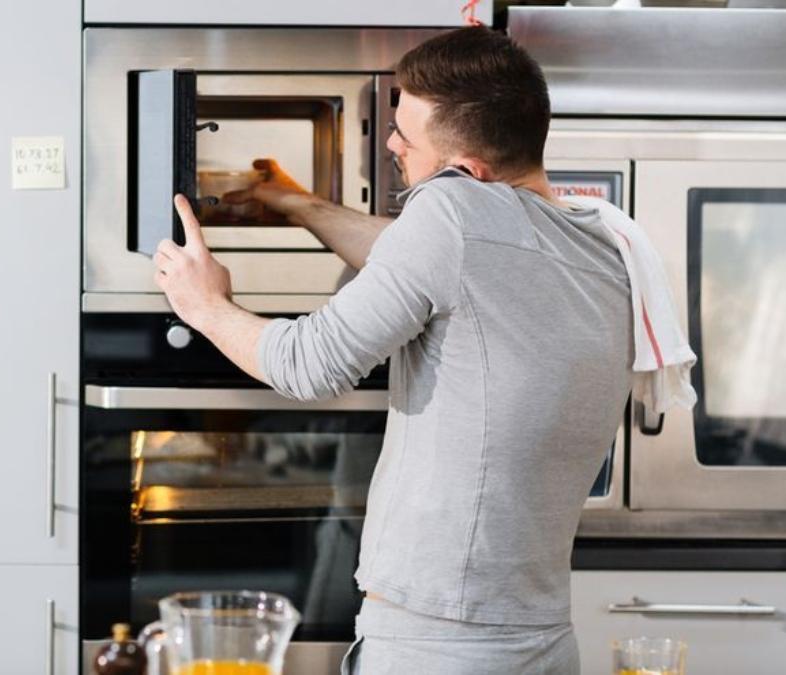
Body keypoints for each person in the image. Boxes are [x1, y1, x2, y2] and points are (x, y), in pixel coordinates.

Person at [152, 26, 631, 674]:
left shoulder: (453, 217)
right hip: (541, 635)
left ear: (468, 174)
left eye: (407, 134)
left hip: (439, 644)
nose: (391, 142)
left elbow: (308, 363)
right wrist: (296, 202)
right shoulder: (599, 245)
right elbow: (414, 258)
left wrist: (205, 304)